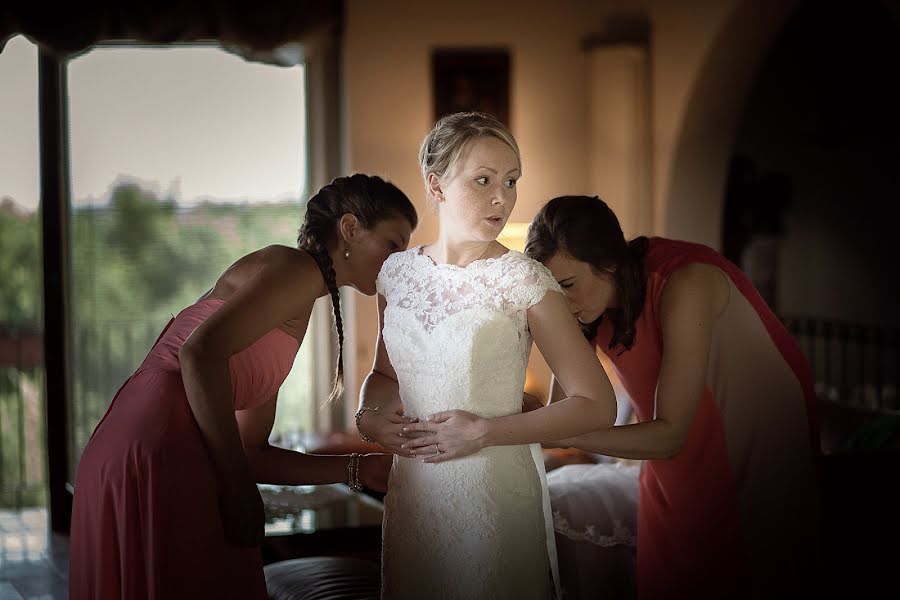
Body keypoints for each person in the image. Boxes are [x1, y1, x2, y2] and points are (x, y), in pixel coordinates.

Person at [68, 174, 418, 600]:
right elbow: (198, 354)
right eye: (393, 244)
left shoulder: (298, 295)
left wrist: (361, 468)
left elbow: (252, 452)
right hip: (157, 445)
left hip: (146, 441)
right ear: (349, 228)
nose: (399, 261)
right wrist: (235, 487)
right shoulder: (295, 268)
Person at [356, 112, 618, 600]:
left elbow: (596, 403)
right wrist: (369, 416)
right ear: (436, 185)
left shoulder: (524, 280)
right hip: (415, 495)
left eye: (512, 180)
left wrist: (487, 431)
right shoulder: (396, 275)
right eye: (484, 180)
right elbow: (384, 375)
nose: (503, 197)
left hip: (494, 497)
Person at [521, 194, 821, 599]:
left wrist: (563, 434)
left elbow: (668, 436)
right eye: (552, 291)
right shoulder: (585, 308)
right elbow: (565, 410)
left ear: (608, 262)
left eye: (568, 285)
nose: (563, 301)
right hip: (669, 465)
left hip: (748, 446)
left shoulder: (686, 282)